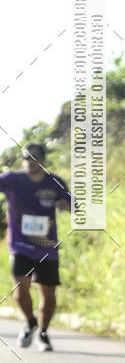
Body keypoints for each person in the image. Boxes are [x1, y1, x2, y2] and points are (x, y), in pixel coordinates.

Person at [0, 142, 71, 351]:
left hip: (47, 248)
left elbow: (74, 205)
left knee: (48, 295)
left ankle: (43, 333)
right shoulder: (13, 179)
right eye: (26, 158)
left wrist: (64, 205)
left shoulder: (54, 182)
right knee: (20, 290)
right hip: (20, 246)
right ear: (22, 159)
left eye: (35, 158)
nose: (30, 162)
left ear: (42, 160)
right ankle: (30, 321)